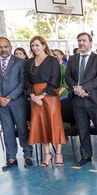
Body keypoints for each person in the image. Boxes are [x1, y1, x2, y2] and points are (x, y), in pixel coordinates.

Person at [64, 32, 97, 167]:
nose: (81, 43)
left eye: (84, 40)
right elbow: (67, 77)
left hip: (95, 99)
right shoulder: (72, 59)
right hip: (77, 100)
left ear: (90, 43)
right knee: (82, 129)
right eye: (79, 40)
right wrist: (76, 89)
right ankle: (85, 155)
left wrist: (83, 88)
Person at [0, 37, 33, 169]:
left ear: (10, 47)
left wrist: (9, 97)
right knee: (8, 131)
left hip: (17, 102)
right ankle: (11, 158)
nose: (3, 49)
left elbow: (22, 82)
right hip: (1, 104)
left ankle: (28, 155)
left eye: (6, 46)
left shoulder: (20, 62)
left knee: (23, 129)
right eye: (0, 47)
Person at [26, 36, 66, 167]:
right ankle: (47, 153)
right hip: (35, 97)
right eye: (32, 46)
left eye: (37, 45)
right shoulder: (29, 62)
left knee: (54, 123)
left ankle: (59, 153)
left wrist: (42, 95)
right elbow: (26, 81)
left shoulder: (52, 60)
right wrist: (32, 95)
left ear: (44, 46)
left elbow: (55, 80)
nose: (35, 48)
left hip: (49, 96)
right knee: (41, 124)